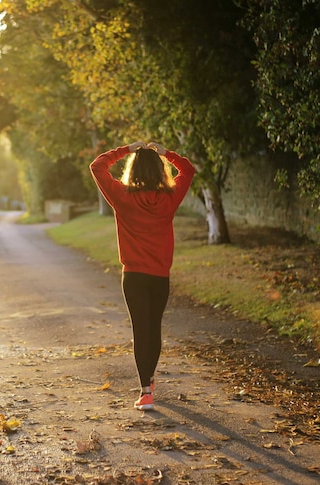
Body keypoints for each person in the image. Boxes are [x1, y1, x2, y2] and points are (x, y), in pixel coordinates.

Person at [90, 141, 196, 411]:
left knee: (141, 330)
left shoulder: (122, 196)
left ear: (133, 170)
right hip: (160, 276)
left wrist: (126, 149)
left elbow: (97, 166)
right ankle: (149, 381)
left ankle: (146, 391)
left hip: (134, 276)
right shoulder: (170, 198)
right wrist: (166, 153)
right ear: (160, 171)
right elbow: (188, 169)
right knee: (154, 328)